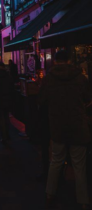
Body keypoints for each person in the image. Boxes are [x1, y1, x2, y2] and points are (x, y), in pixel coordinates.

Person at [39, 50, 92, 210]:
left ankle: (50, 195)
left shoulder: (49, 79)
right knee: (79, 166)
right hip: (78, 126)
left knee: (56, 161)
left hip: (58, 125)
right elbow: (88, 100)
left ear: (55, 61)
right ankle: (83, 201)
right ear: (69, 60)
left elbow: (41, 101)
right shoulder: (80, 78)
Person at [0, 62, 14, 143]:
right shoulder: (8, 76)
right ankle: (7, 134)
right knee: (6, 117)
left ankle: (3, 135)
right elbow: (12, 88)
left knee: (0, 117)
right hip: (7, 98)